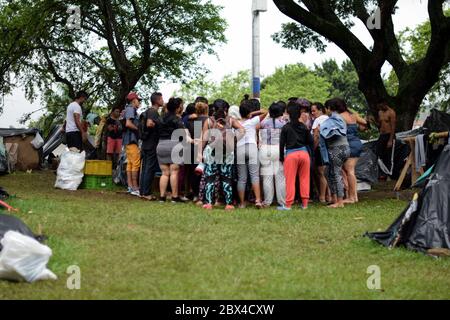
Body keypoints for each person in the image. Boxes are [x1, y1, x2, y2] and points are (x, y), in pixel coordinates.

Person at [197, 99, 245, 211]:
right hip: (227, 152)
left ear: (213, 109)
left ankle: (208, 203)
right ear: (226, 109)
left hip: (211, 152)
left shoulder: (209, 121)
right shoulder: (231, 120)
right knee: (226, 177)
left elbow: (203, 139)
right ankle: (228, 204)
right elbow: (242, 130)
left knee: (210, 178)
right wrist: (234, 140)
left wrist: (200, 153)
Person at [278, 101, 313, 211]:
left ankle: (288, 205)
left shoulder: (285, 127)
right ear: (299, 114)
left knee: (290, 180)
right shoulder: (304, 126)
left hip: (291, 154)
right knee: (304, 179)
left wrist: (281, 157)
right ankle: (305, 204)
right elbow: (310, 141)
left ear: (288, 114)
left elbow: (281, 144)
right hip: (304, 154)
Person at [332, 98, 367, 203]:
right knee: (350, 171)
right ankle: (354, 196)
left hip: (349, 143)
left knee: (349, 171)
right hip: (357, 142)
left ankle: (352, 197)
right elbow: (365, 123)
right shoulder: (353, 115)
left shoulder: (339, 117)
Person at [157, 97, 191, 203]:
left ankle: (162, 197)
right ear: (177, 108)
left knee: (164, 173)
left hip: (161, 145)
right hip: (174, 145)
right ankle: (174, 197)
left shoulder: (160, 118)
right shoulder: (177, 119)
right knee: (174, 172)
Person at [237, 100, 267, 209]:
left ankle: (241, 203)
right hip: (252, 147)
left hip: (239, 148)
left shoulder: (236, 122)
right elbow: (265, 112)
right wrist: (253, 113)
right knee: (254, 175)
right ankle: (258, 200)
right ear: (249, 112)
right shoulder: (253, 121)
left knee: (242, 178)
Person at [321, 99, 351, 208]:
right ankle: (334, 197)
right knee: (327, 172)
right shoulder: (340, 118)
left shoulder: (333, 119)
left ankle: (340, 201)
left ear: (329, 108)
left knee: (336, 173)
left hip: (336, 149)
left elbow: (330, 132)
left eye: (326, 108)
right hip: (345, 147)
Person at [259, 102, 287, 208]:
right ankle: (282, 201)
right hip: (279, 149)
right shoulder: (283, 123)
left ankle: (267, 201)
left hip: (265, 149)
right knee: (280, 176)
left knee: (267, 176)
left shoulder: (264, 122)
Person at [139, 92, 163, 201]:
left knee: (145, 168)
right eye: (161, 99)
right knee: (149, 168)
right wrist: (157, 125)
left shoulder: (148, 111)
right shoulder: (153, 112)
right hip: (151, 143)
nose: (163, 101)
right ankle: (146, 193)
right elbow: (149, 123)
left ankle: (143, 191)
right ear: (157, 100)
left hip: (146, 143)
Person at [186, 101, 210, 202]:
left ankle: (195, 194)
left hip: (191, 148)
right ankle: (205, 194)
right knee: (206, 173)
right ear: (206, 110)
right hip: (205, 149)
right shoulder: (208, 121)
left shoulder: (191, 121)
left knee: (193, 172)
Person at [123, 92, 142, 196]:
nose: (139, 102)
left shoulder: (128, 109)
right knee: (135, 163)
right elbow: (128, 123)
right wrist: (139, 130)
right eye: (138, 100)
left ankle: (130, 187)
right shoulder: (131, 109)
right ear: (133, 100)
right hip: (131, 140)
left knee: (130, 164)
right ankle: (135, 187)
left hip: (128, 140)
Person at [311, 102, 330, 204]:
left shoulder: (317, 120)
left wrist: (313, 149)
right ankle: (329, 196)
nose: (312, 113)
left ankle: (322, 197)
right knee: (328, 172)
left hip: (320, 148)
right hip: (330, 148)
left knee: (321, 173)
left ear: (320, 110)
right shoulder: (329, 119)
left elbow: (316, 136)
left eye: (314, 110)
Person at [375, 101, 397, 177]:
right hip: (382, 135)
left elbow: (393, 127)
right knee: (378, 152)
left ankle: (389, 174)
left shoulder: (391, 112)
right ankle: (381, 173)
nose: (380, 108)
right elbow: (379, 124)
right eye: (379, 107)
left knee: (388, 155)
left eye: (381, 106)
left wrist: (390, 140)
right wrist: (373, 121)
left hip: (389, 135)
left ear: (385, 104)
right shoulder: (380, 112)